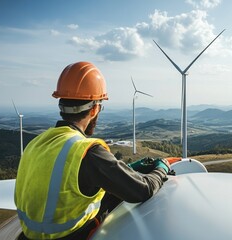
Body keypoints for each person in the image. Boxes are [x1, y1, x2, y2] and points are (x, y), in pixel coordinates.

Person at [14, 61, 170, 239]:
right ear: (95, 109)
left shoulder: (36, 143)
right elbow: (143, 190)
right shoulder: (88, 152)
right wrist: (161, 168)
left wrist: (129, 170)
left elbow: (69, 180)